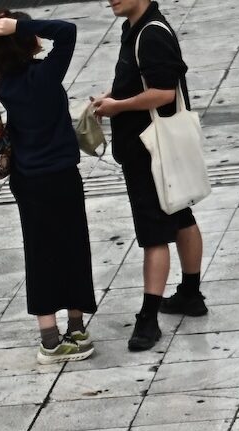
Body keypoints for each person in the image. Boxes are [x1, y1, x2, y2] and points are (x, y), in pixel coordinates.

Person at [0, 11, 97, 365]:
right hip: (61, 176)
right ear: (27, 40)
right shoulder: (46, 74)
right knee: (73, 248)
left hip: (27, 181)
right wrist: (20, 25)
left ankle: (49, 338)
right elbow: (67, 32)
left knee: (40, 253)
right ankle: (76, 329)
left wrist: (5, 30)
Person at [91, 0, 207, 353]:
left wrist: (118, 107)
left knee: (154, 234)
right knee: (180, 214)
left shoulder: (151, 34)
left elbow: (164, 92)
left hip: (149, 151)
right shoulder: (135, 27)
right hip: (152, 148)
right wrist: (112, 97)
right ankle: (190, 294)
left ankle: (148, 319)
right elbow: (142, 82)